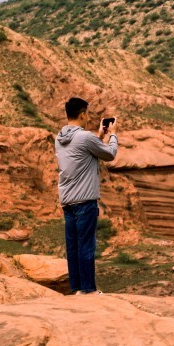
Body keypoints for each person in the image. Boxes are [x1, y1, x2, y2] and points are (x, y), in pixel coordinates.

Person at [55, 97, 118, 295]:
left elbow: (82, 153)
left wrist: (98, 136)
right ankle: (89, 290)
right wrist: (113, 135)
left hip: (68, 201)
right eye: (87, 113)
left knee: (73, 247)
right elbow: (110, 154)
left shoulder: (59, 137)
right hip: (85, 201)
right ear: (83, 114)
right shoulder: (84, 137)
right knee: (86, 246)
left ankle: (77, 289)